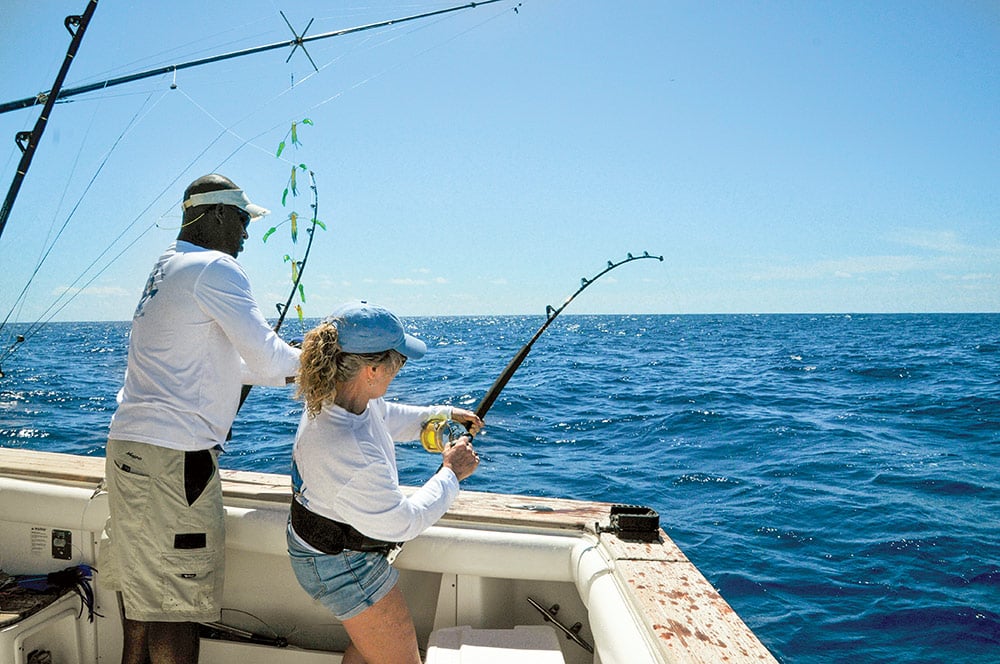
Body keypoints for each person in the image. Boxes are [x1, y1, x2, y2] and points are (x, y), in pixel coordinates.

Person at [100, 174, 302, 664]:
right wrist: (325, 359)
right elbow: (272, 361)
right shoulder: (217, 268)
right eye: (241, 219)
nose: (246, 234)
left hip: (130, 452)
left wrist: (281, 367)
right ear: (214, 214)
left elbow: (232, 365)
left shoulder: (167, 267)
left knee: (143, 601)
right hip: (174, 465)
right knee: (176, 607)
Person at [287, 301, 482, 664]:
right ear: (373, 370)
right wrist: (452, 473)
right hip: (343, 564)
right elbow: (403, 522)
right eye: (399, 362)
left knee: (367, 651)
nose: (400, 370)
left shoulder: (339, 399)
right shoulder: (349, 449)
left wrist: (440, 414)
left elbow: (386, 415)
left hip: (325, 548)